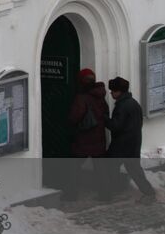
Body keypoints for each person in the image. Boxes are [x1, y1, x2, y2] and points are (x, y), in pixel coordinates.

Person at [105, 77, 156, 200]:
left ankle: (108, 194)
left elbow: (116, 125)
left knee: (109, 167)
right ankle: (148, 192)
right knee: (134, 170)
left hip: (121, 144)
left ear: (119, 91)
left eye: (113, 91)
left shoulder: (122, 106)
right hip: (133, 143)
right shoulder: (133, 103)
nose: (111, 93)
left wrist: (104, 119)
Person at [66, 68, 109, 200]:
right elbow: (105, 113)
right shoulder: (101, 96)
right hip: (99, 136)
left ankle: (71, 193)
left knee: (73, 167)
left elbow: (75, 116)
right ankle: (105, 194)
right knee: (100, 168)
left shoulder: (82, 98)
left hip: (84, 138)